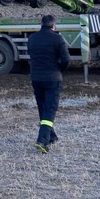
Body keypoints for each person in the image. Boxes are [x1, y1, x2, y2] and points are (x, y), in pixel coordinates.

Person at [27, 14, 70, 153]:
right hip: (53, 79)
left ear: (42, 24)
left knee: (43, 107)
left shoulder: (32, 38)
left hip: (36, 78)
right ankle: (42, 141)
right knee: (50, 110)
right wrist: (60, 70)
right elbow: (66, 59)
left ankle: (51, 136)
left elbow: (31, 56)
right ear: (53, 25)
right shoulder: (58, 38)